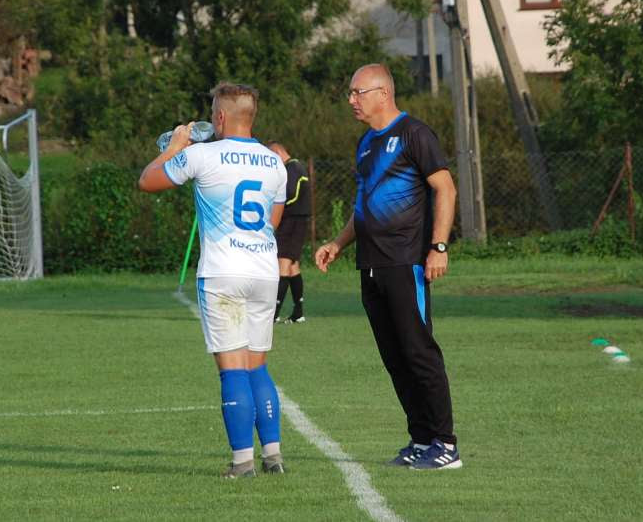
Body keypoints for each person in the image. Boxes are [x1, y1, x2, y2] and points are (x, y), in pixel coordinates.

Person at [314, 63, 461, 470]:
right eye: (350, 92)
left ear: (383, 93)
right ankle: (420, 439)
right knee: (394, 357)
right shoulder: (365, 143)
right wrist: (338, 243)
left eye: (357, 92)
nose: (351, 100)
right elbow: (364, 205)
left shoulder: (415, 134)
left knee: (419, 353)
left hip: (405, 262)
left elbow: (445, 188)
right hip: (372, 265)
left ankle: (446, 444)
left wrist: (439, 247)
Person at [138, 82, 288, 478]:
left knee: (232, 369)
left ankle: (242, 463)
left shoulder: (202, 155)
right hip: (263, 271)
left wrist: (173, 147)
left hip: (223, 272)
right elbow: (273, 222)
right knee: (258, 366)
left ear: (219, 117)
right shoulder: (276, 163)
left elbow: (148, 180)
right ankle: (273, 455)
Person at [267, 141, 311, 324]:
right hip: (293, 222)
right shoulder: (292, 168)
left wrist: (274, 204)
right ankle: (298, 312)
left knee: (282, 265)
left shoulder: (293, 168)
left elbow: (290, 194)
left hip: (293, 221)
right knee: (292, 267)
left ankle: (273, 313)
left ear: (278, 153)